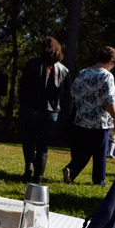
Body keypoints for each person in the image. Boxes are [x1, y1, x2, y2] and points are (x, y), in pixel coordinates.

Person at [62, 46, 115, 186]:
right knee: (100, 153)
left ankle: (71, 170)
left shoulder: (83, 73)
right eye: (114, 64)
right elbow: (110, 101)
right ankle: (99, 180)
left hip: (81, 119)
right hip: (100, 122)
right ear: (111, 60)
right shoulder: (106, 76)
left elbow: (73, 92)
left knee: (84, 150)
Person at [18, 36, 70, 183]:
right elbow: (66, 95)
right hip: (51, 112)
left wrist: (22, 104)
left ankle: (29, 167)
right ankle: (38, 176)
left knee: (28, 140)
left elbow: (23, 85)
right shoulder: (64, 70)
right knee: (42, 144)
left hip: (32, 108)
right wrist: (63, 114)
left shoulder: (33, 63)